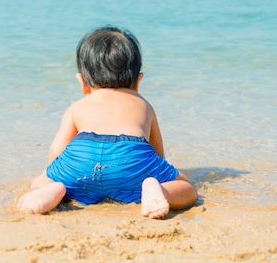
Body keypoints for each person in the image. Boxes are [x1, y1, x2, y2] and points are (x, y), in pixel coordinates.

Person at [18, 26, 197, 218]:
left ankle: (53, 190)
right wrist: (150, 175)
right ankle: (159, 191)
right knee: (187, 188)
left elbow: (56, 153)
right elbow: (158, 154)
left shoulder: (78, 106)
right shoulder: (143, 104)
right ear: (138, 81)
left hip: (81, 157)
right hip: (131, 155)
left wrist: (59, 174)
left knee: (42, 179)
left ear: (83, 83)